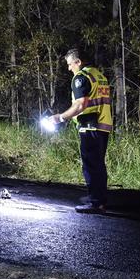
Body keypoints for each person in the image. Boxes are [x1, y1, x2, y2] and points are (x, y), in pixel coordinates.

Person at [50, 48, 113, 214]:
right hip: (103, 125)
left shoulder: (81, 77)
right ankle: (99, 200)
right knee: (98, 164)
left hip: (90, 125)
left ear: (78, 62)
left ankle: (95, 203)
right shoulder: (99, 75)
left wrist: (61, 118)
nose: (69, 68)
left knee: (91, 165)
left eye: (70, 64)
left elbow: (80, 104)